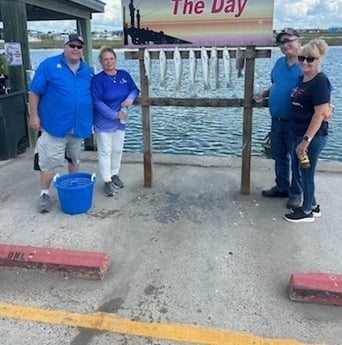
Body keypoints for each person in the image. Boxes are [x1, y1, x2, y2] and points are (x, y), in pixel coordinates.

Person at [29, 33, 93, 213]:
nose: (75, 49)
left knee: (74, 159)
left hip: (78, 125)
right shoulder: (48, 65)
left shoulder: (86, 70)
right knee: (49, 163)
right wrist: (34, 116)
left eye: (79, 46)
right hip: (54, 124)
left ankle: (73, 188)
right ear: (64, 47)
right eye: (71, 45)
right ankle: (44, 194)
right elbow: (34, 92)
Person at [284, 39, 331, 222]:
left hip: (311, 137)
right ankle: (313, 204)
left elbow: (320, 114)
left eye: (310, 59)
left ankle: (306, 212)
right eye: (302, 58)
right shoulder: (302, 78)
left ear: (318, 60)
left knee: (306, 173)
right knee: (299, 171)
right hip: (297, 132)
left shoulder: (320, 81)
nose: (304, 62)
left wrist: (306, 140)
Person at [260, 28, 304, 210]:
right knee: (279, 156)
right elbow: (276, 84)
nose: (285, 45)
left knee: (298, 159)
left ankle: (296, 193)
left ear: (299, 41)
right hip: (277, 120)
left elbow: (323, 87)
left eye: (289, 40)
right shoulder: (279, 63)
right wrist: (262, 94)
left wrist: (328, 107)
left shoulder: (307, 62)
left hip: (297, 122)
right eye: (281, 42)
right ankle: (282, 187)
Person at [91, 46, 139, 196]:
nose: (109, 62)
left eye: (111, 59)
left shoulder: (124, 75)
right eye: (105, 59)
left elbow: (134, 89)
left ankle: (114, 174)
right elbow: (96, 101)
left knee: (117, 149)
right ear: (101, 61)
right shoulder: (98, 80)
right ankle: (106, 180)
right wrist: (113, 115)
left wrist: (131, 97)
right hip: (104, 121)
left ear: (116, 60)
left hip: (121, 121)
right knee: (105, 151)